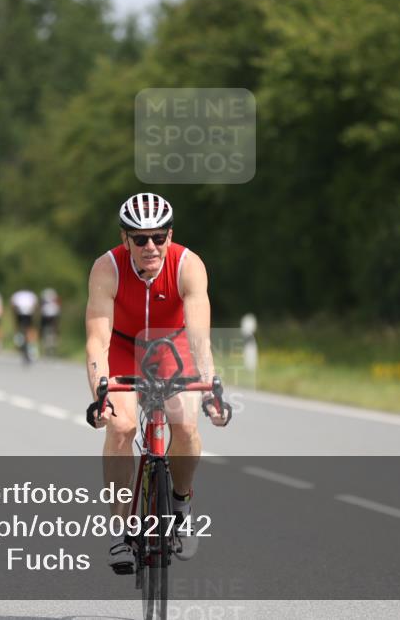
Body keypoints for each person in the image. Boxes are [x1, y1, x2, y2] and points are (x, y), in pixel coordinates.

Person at [85, 193, 231, 574]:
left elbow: (200, 336)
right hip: (121, 346)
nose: (150, 246)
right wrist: (100, 393)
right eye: (140, 238)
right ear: (125, 239)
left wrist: (210, 386)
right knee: (121, 426)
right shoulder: (107, 269)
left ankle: (181, 505)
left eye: (158, 236)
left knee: (184, 425)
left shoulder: (189, 265)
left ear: (170, 235)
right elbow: (97, 341)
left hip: (171, 343)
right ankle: (119, 530)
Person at [10, 288, 39, 364]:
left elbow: (13, 306)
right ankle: (32, 347)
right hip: (29, 313)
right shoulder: (31, 295)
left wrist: (14, 315)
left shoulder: (17, 294)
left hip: (19, 313)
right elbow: (35, 306)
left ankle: (18, 341)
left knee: (18, 327)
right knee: (30, 329)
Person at [39, 287, 61, 356]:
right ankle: (54, 340)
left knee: (43, 329)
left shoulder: (44, 293)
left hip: (45, 314)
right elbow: (58, 303)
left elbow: (41, 304)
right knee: (55, 328)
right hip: (54, 314)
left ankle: (45, 342)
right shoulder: (54, 293)